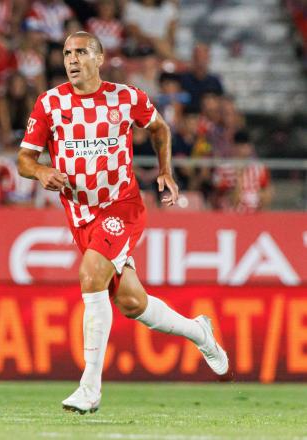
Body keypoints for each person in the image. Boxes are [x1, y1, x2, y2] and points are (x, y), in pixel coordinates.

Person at [17, 31, 229, 414]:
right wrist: (41, 172)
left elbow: (160, 128)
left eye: (81, 52)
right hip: (81, 215)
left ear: (99, 58)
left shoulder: (126, 97)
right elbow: (24, 159)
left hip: (122, 206)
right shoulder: (49, 103)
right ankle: (200, 332)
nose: (72, 59)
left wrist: (165, 170)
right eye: (67, 53)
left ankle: (89, 388)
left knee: (90, 274)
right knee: (131, 303)